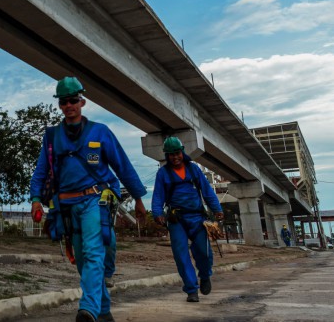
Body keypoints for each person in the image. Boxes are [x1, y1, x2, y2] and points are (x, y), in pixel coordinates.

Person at [30, 77, 148, 322]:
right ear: (60, 105)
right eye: (64, 101)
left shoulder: (100, 131)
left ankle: (88, 309)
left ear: (82, 101)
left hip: (95, 200)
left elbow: (122, 165)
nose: (69, 105)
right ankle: (103, 311)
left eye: (73, 100)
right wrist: (35, 198)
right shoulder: (52, 137)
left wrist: (138, 197)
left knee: (94, 252)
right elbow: (42, 169)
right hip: (66, 205)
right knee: (82, 259)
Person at [152, 136, 223, 303]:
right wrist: (157, 214)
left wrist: (217, 209)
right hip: (177, 220)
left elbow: (207, 191)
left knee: (204, 253)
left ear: (182, 151)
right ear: (166, 156)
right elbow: (157, 197)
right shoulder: (163, 173)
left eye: (177, 153)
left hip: (198, 218)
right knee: (180, 254)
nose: (175, 157)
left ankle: (205, 275)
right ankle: (191, 290)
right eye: (171, 155)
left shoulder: (193, 169)